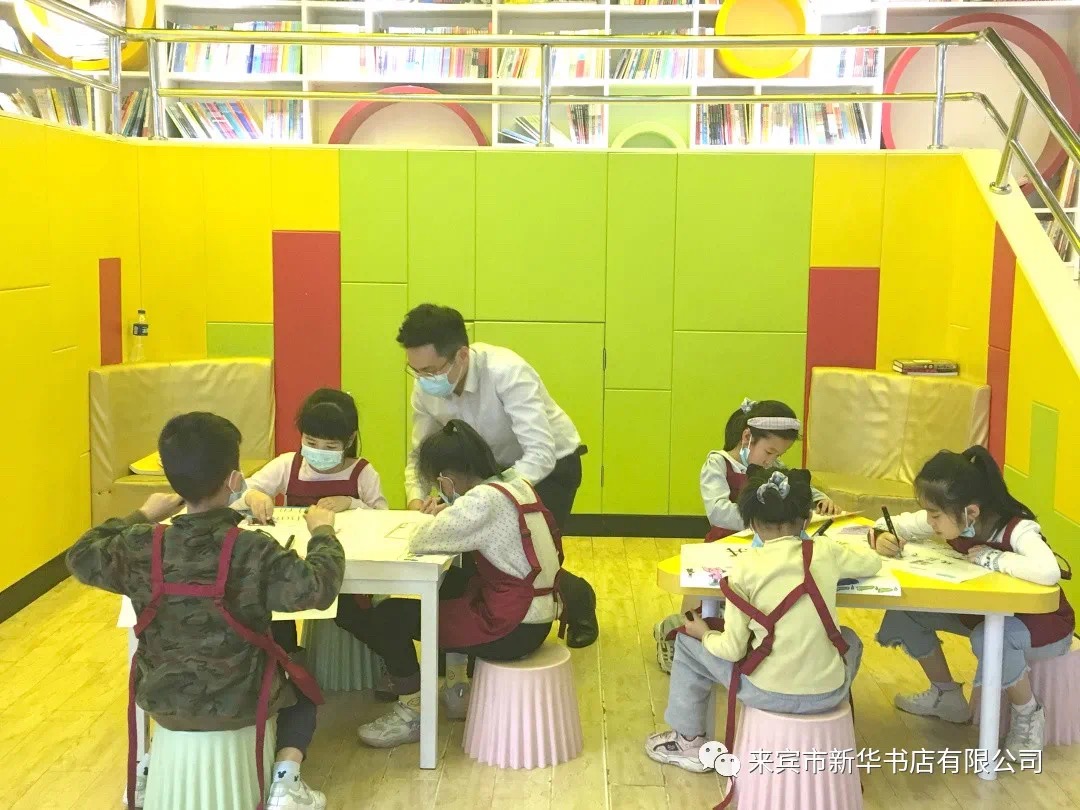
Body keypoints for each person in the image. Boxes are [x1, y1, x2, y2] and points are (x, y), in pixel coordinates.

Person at [67, 413, 343, 810]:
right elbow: (318, 588)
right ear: (234, 480)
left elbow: (80, 556)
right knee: (302, 686)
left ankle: (151, 770)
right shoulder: (252, 548)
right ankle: (286, 780)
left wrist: (142, 514)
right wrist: (322, 533)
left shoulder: (140, 544)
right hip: (241, 701)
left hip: (163, 699)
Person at [334, 420, 562, 747]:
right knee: (453, 582)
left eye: (436, 482)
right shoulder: (514, 484)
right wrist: (453, 508)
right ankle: (456, 688)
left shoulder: (481, 501)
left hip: (514, 629)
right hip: (535, 616)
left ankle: (412, 710)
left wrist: (438, 513)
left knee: (390, 616)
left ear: (447, 478)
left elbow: (421, 539)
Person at [645, 467, 879, 781]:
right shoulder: (825, 550)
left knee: (687, 643)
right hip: (830, 693)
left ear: (752, 523)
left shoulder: (745, 566)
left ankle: (688, 741)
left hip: (765, 692)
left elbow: (731, 649)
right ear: (807, 520)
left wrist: (705, 633)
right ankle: (823, 730)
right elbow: (872, 563)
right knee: (849, 637)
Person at [396, 303, 598, 648]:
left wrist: (483, 498)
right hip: (491, 475)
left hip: (550, 466)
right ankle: (483, 623)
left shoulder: (507, 372)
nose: (423, 380)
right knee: (484, 556)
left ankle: (578, 601)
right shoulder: (425, 388)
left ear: (462, 355)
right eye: (415, 371)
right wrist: (417, 498)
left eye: (430, 370)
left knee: (529, 555)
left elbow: (540, 454)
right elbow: (420, 453)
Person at [871, 446, 1074, 757]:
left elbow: (1048, 572)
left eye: (934, 515)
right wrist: (880, 537)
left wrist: (994, 558)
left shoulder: (1017, 530)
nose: (929, 521)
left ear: (972, 512)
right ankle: (947, 697)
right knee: (906, 612)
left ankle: (1028, 715)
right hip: (983, 615)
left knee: (990, 637)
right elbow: (888, 524)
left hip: (1042, 627)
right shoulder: (955, 517)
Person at [653, 399, 838, 673]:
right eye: (769, 451)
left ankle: (731, 648)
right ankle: (671, 631)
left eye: (779, 454)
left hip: (760, 549)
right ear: (747, 437)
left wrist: (820, 498)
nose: (772, 460)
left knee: (743, 611)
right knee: (705, 611)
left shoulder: (772, 467)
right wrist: (764, 518)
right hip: (722, 547)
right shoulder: (718, 463)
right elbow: (718, 512)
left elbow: (799, 489)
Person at [243, 387, 388, 521]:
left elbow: (384, 518)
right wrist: (252, 496)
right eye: (311, 443)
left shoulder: (363, 473)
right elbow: (237, 493)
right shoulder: (287, 465)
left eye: (330, 446)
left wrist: (351, 503)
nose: (320, 451)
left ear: (350, 440)